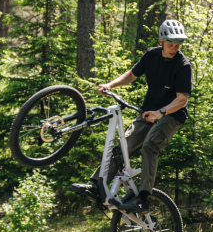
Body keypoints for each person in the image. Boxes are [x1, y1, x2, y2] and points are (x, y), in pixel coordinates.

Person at [69, 20, 194, 211]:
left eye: (177, 45)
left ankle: (143, 198)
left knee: (150, 145)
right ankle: (97, 186)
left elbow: (182, 99)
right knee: (123, 146)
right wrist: (110, 85)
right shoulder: (151, 55)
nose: (174, 48)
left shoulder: (183, 65)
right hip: (147, 112)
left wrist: (160, 113)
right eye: (170, 44)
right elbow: (131, 75)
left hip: (171, 115)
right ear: (161, 41)